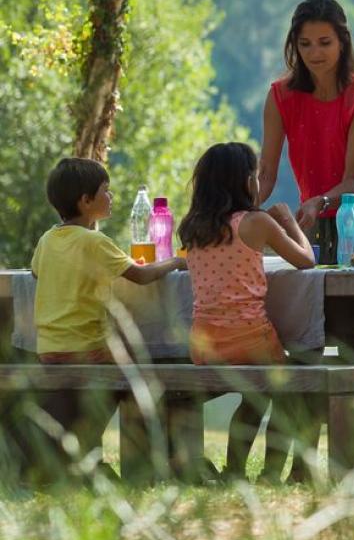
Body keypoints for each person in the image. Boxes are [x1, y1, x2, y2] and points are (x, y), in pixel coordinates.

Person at [30, 156, 186, 481]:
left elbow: (34, 273)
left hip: (49, 347)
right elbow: (142, 276)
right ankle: (119, 459)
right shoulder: (94, 241)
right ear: (86, 201)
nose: (111, 197)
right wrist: (173, 263)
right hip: (87, 348)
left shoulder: (47, 240)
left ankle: (85, 456)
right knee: (136, 376)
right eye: (106, 191)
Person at [177, 141, 315, 480]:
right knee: (283, 394)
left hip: (204, 343)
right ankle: (267, 472)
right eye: (255, 175)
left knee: (255, 394)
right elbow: (306, 260)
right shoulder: (255, 222)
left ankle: (236, 470)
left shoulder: (191, 226)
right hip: (251, 340)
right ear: (245, 181)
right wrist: (288, 222)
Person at [259, 0, 354, 263]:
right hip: (313, 220)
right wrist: (234, 212)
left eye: (325, 43)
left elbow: (352, 182)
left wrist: (319, 201)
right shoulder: (280, 97)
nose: (314, 53)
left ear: (343, 42)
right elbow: (266, 174)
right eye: (305, 44)